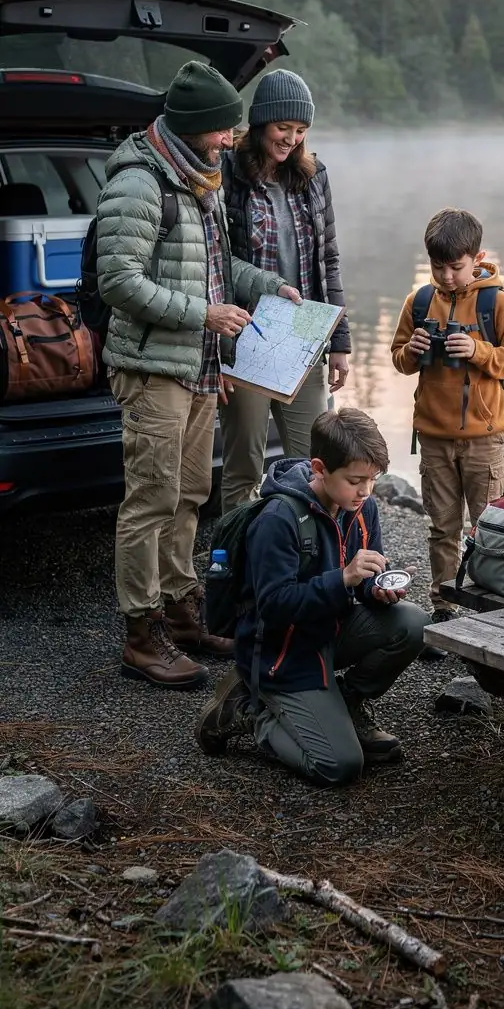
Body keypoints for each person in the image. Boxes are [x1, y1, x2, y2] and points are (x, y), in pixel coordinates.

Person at [97, 61, 300, 691]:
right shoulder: (139, 184)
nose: (231, 141)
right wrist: (203, 316)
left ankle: (183, 612)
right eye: (222, 130)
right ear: (192, 128)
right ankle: (141, 633)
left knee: (188, 495)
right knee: (150, 500)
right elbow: (119, 283)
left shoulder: (198, 180)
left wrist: (269, 287)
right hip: (155, 366)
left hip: (198, 369)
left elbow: (219, 267)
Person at [194, 408, 427, 786]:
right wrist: (343, 578)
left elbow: (361, 577)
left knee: (413, 622)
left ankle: (348, 703)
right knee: (339, 765)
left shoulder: (361, 506)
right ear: (319, 468)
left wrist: (377, 588)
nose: (366, 491)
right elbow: (273, 606)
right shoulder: (278, 519)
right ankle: (251, 714)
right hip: (281, 652)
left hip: (329, 629)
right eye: (355, 480)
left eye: (372, 479)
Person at [390, 208, 504, 655]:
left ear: (478, 259)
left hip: (483, 438)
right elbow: (398, 358)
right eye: (439, 267)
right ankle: (445, 605)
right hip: (433, 437)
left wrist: (478, 350)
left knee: (491, 528)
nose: (447, 277)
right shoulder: (418, 302)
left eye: (456, 267)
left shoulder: (498, 303)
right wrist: (411, 352)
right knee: (441, 527)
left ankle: (495, 613)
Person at [219, 68, 351, 512]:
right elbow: (217, 261)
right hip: (248, 340)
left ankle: (306, 562)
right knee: (243, 467)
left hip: (305, 340)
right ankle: (237, 567)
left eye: (300, 130)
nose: (292, 139)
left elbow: (328, 260)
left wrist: (340, 342)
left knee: (313, 462)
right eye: (283, 128)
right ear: (260, 124)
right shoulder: (228, 173)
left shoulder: (314, 177)